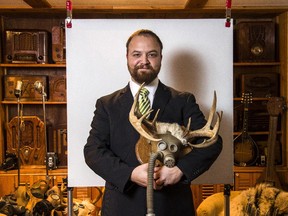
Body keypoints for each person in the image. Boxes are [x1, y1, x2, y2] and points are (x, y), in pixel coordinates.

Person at [84, 29, 223, 216]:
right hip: (122, 206)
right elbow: (93, 151)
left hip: (172, 207)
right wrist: (130, 174)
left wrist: (180, 170)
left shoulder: (183, 100)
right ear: (127, 57)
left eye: (152, 54)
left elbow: (212, 143)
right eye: (137, 54)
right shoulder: (107, 105)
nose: (144, 61)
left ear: (160, 57)